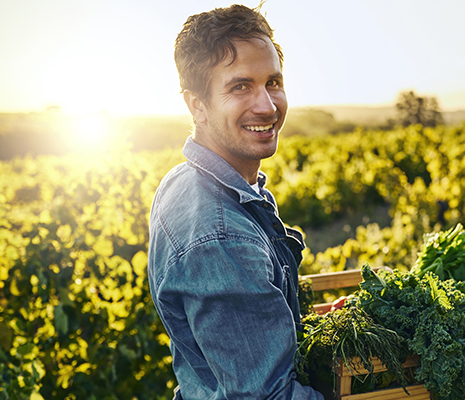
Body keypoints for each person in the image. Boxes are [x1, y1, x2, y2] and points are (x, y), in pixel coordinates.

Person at [147, 4, 324, 399]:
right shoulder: (221, 237)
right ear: (198, 105)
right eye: (240, 86)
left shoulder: (186, 181)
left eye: (273, 82)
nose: (267, 105)